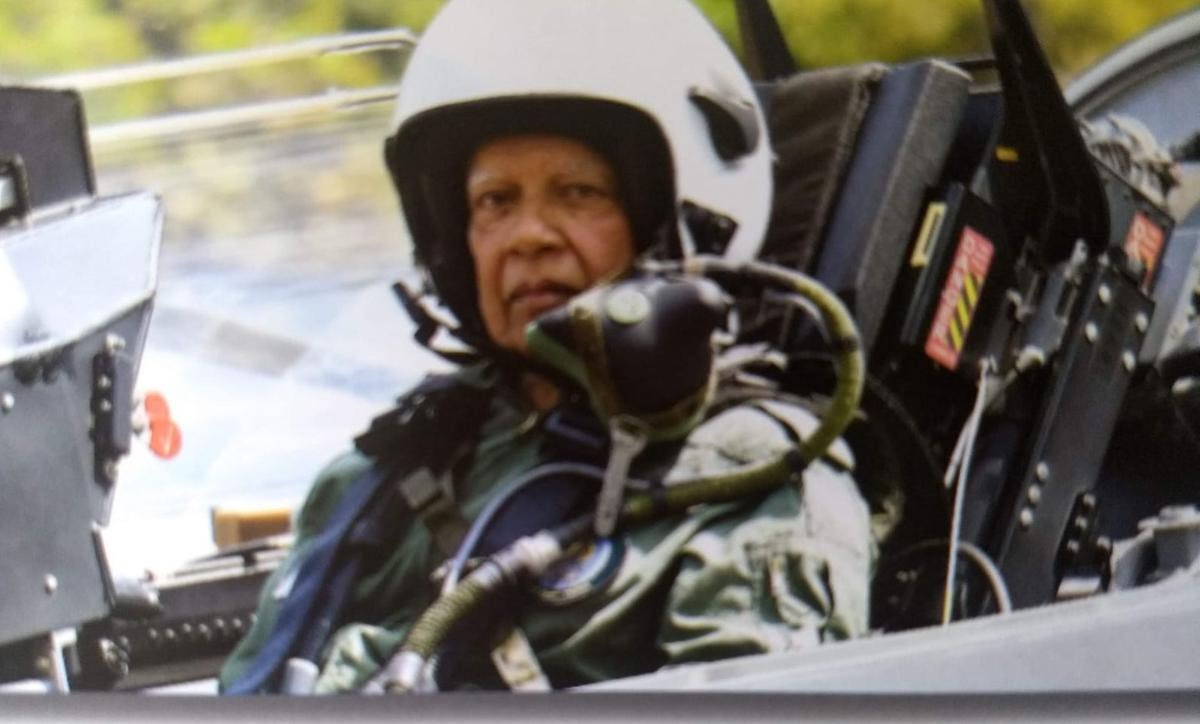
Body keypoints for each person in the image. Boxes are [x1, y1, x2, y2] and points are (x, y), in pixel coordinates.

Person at [220, 0, 874, 694]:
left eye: (577, 192)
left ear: (672, 220)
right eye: (495, 201)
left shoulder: (749, 477)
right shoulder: (381, 474)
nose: (527, 235)